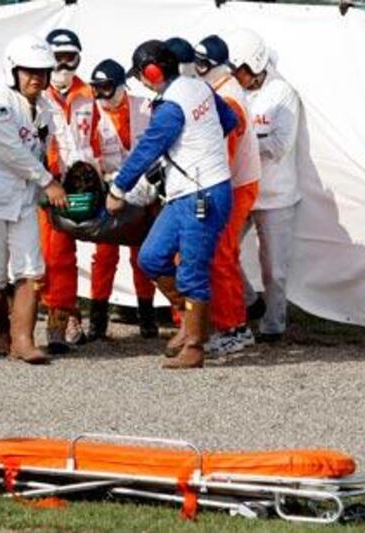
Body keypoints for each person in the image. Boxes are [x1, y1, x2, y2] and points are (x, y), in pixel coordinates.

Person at [106, 40, 238, 369]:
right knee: (151, 258)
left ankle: (194, 346)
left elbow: (147, 149)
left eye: (140, 75)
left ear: (151, 72)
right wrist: (199, 149)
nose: (140, 81)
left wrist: (118, 189)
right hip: (189, 192)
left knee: (193, 271)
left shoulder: (171, 106)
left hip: (201, 194)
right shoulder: (198, 87)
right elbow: (229, 121)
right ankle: (192, 322)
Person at [0, 34, 68, 364]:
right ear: (14, 71)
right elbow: (9, 150)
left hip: (26, 203)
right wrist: (48, 182)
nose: (36, 79)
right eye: (29, 71)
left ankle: (24, 342)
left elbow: (56, 146)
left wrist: (68, 175)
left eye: (42, 72)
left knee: (31, 271)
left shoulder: (46, 108)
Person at [226, 28, 302, 343]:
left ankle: (274, 326)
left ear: (254, 65)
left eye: (239, 69)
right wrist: (254, 142)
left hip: (276, 196)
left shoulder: (282, 92)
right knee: (222, 250)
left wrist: (244, 142)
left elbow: (281, 144)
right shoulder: (232, 90)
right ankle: (249, 302)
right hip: (242, 189)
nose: (235, 74)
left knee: (273, 269)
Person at [193, 34, 261, 356]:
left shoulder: (228, 98)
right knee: (221, 252)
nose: (198, 69)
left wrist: (207, 192)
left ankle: (234, 327)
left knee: (221, 253)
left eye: (203, 64)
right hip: (229, 183)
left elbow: (226, 152)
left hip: (232, 185)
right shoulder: (220, 90)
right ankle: (233, 318)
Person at [86, 59, 158, 341]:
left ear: (120, 86)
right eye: (96, 88)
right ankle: (97, 321)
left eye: (106, 88)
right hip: (110, 190)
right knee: (104, 256)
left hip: (144, 190)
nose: (100, 95)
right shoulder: (90, 112)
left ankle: (147, 318)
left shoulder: (146, 107)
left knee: (142, 255)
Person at [39, 28, 101, 354]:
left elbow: (99, 140)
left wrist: (101, 174)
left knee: (65, 255)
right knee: (49, 256)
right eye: (57, 57)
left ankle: (66, 318)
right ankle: (56, 320)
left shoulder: (89, 94)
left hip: (81, 186)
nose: (64, 64)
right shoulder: (37, 92)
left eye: (70, 57)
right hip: (44, 184)